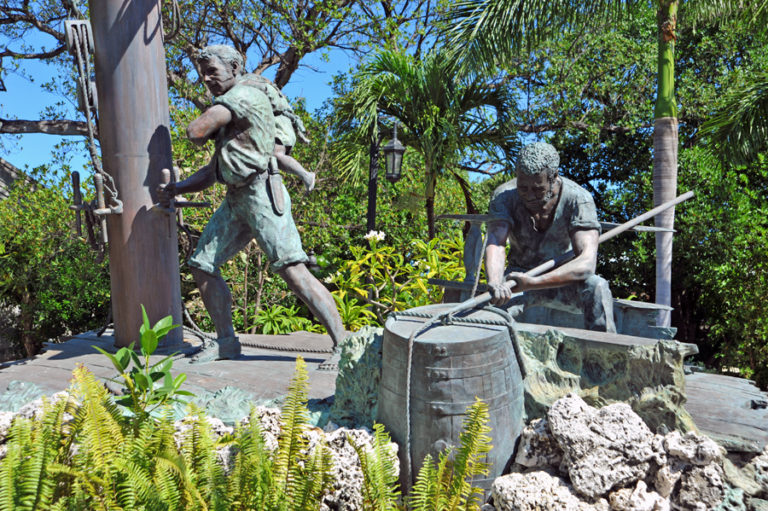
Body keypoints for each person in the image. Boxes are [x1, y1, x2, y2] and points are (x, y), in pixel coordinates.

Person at [158, 45, 344, 365]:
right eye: (202, 73)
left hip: (262, 194)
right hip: (236, 199)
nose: (206, 79)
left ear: (234, 68)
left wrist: (200, 127)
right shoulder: (230, 110)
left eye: (212, 71)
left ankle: (342, 343)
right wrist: (177, 188)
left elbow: (195, 131)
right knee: (202, 265)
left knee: (291, 270)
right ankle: (227, 343)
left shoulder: (243, 97)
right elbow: (214, 171)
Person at [485, 142, 616, 332]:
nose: (529, 196)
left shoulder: (579, 199)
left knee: (598, 288)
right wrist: (496, 283)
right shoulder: (503, 196)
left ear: (554, 178)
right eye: (523, 188)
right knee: (493, 309)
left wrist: (534, 283)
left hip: (563, 279)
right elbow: (497, 242)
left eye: (538, 189)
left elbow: (586, 263)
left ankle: (605, 353)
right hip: (518, 279)